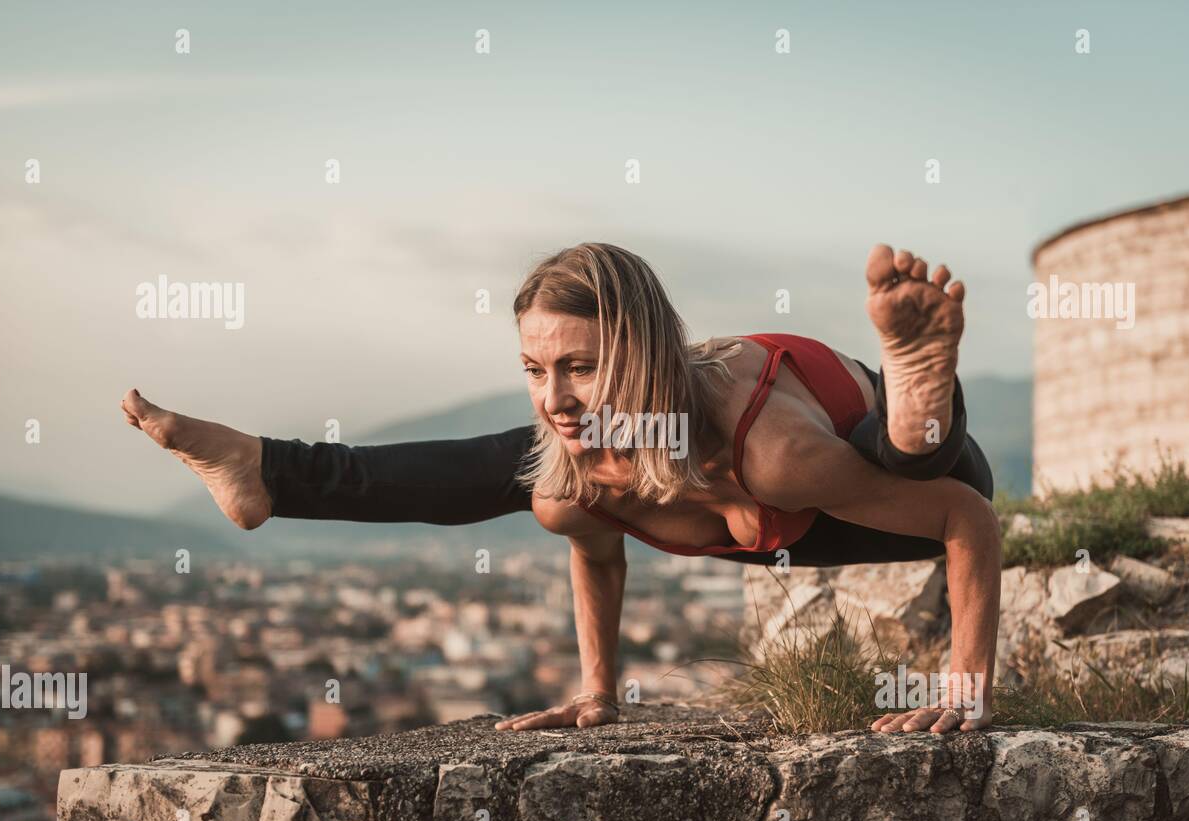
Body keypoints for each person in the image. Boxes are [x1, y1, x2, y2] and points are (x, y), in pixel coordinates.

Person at [121, 242, 1001, 735]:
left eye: (580, 365)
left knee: (900, 457)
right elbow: (597, 557)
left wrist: (963, 691)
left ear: (641, 352)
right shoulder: (576, 472)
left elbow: (968, 519)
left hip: (897, 475)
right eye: (535, 367)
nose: (553, 395)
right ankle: (265, 470)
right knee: (537, 468)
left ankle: (916, 400)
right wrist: (597, 693)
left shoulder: (771, 448)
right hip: (758, 516)